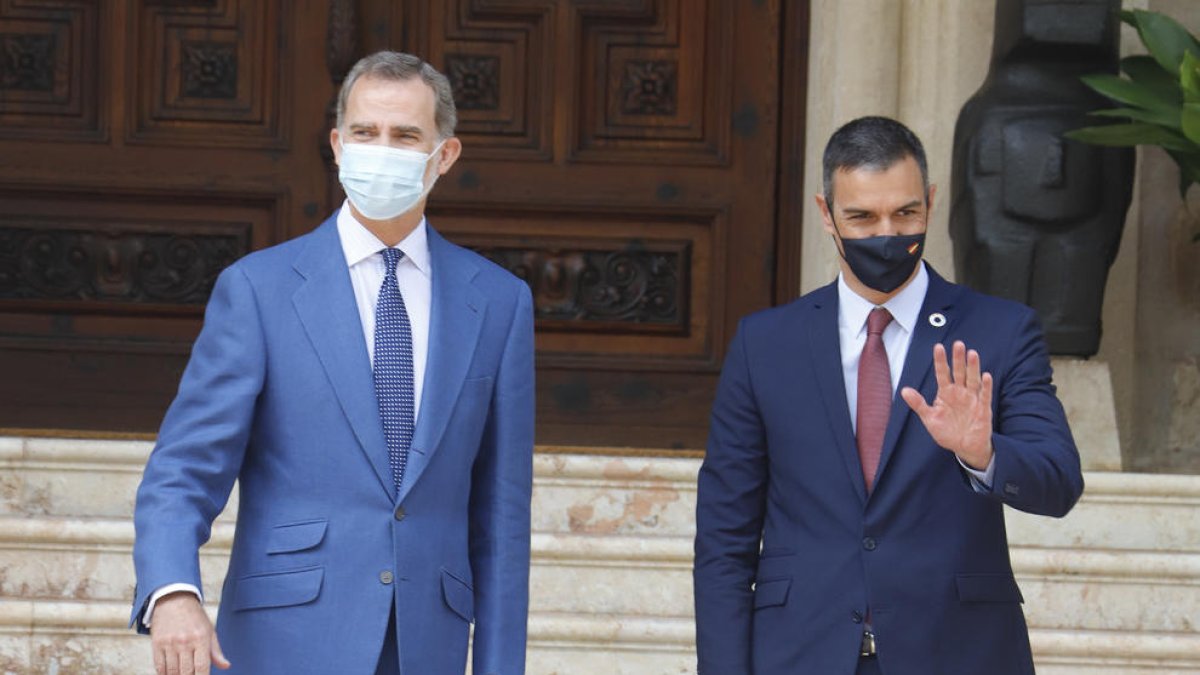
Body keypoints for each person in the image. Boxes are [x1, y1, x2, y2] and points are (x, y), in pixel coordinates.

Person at [130, 51, 535, 675]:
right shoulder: (259, 290)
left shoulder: (500, 301)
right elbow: (183, 468)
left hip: (427, 643)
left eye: (405, 136)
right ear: (338, 146)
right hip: (284, 640)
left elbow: (502, 515)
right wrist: (173, 590)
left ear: (444, 155)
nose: (382, 149)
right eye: (366, 133)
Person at [693, 116, 1083, 675]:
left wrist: (984, 454)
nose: (887, 233)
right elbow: (724, 539)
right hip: (800, 652)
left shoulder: (1001, 330)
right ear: (826, 214)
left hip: (958, 653)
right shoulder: (765, 344)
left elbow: (1059, 482)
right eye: (862, 217)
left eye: (905, 213)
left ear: (929, 201)